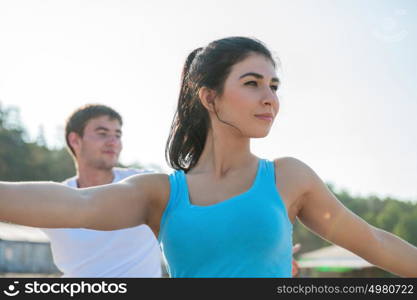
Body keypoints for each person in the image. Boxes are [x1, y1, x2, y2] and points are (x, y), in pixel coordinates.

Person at [1, 37, 416, 277]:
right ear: (209, 97)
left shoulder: (290, 178)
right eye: (252, 83)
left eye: (274, 85)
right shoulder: (160, 192)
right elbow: (75, 204)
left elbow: (374, 241)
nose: (270, 98)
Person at [41, 104, 162, 277]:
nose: (113, 142)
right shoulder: (56, 199)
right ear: (75, 140)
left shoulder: (146, 187)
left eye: (117, 135)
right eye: (102, 133)